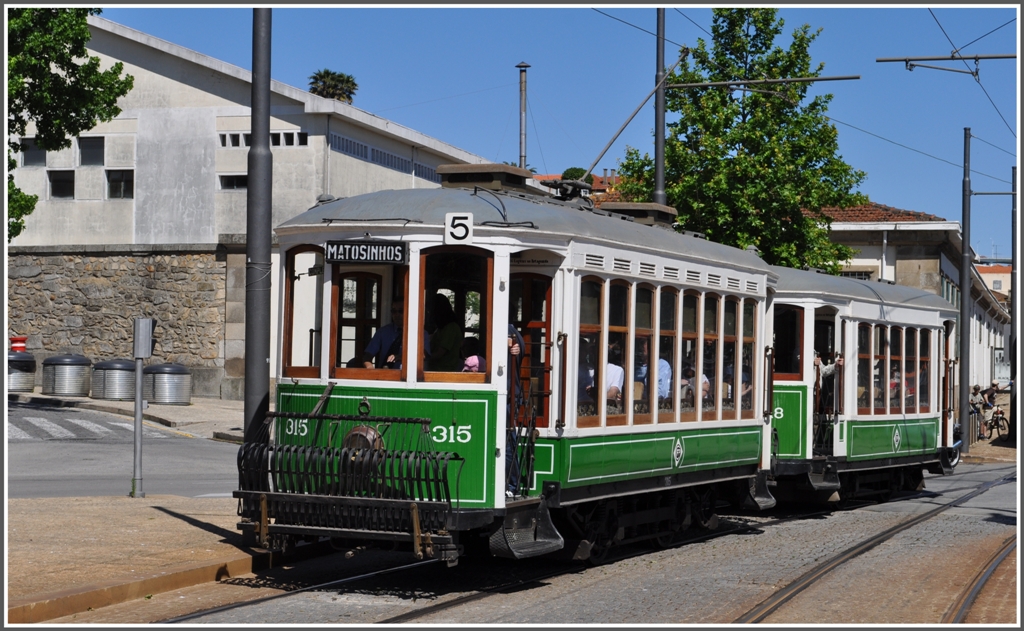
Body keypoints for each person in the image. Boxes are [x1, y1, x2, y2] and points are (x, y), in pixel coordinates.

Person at [426, 293, 462, 371]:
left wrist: (421, 358)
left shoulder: (451, 328)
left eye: (431, 310)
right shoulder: (440, 328)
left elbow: (439, 353)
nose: (429, 313)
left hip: (445, 373)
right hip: (434, 371)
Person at [362, 302, 404, 369]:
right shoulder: (382, 332)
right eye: (394, 311)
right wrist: (369, 367)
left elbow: (423, 356)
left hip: (410, 376)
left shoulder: (419, 334)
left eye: (401, 311)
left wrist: (401, 357)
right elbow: (368, 355)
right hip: (385, 375)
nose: (397, 314)